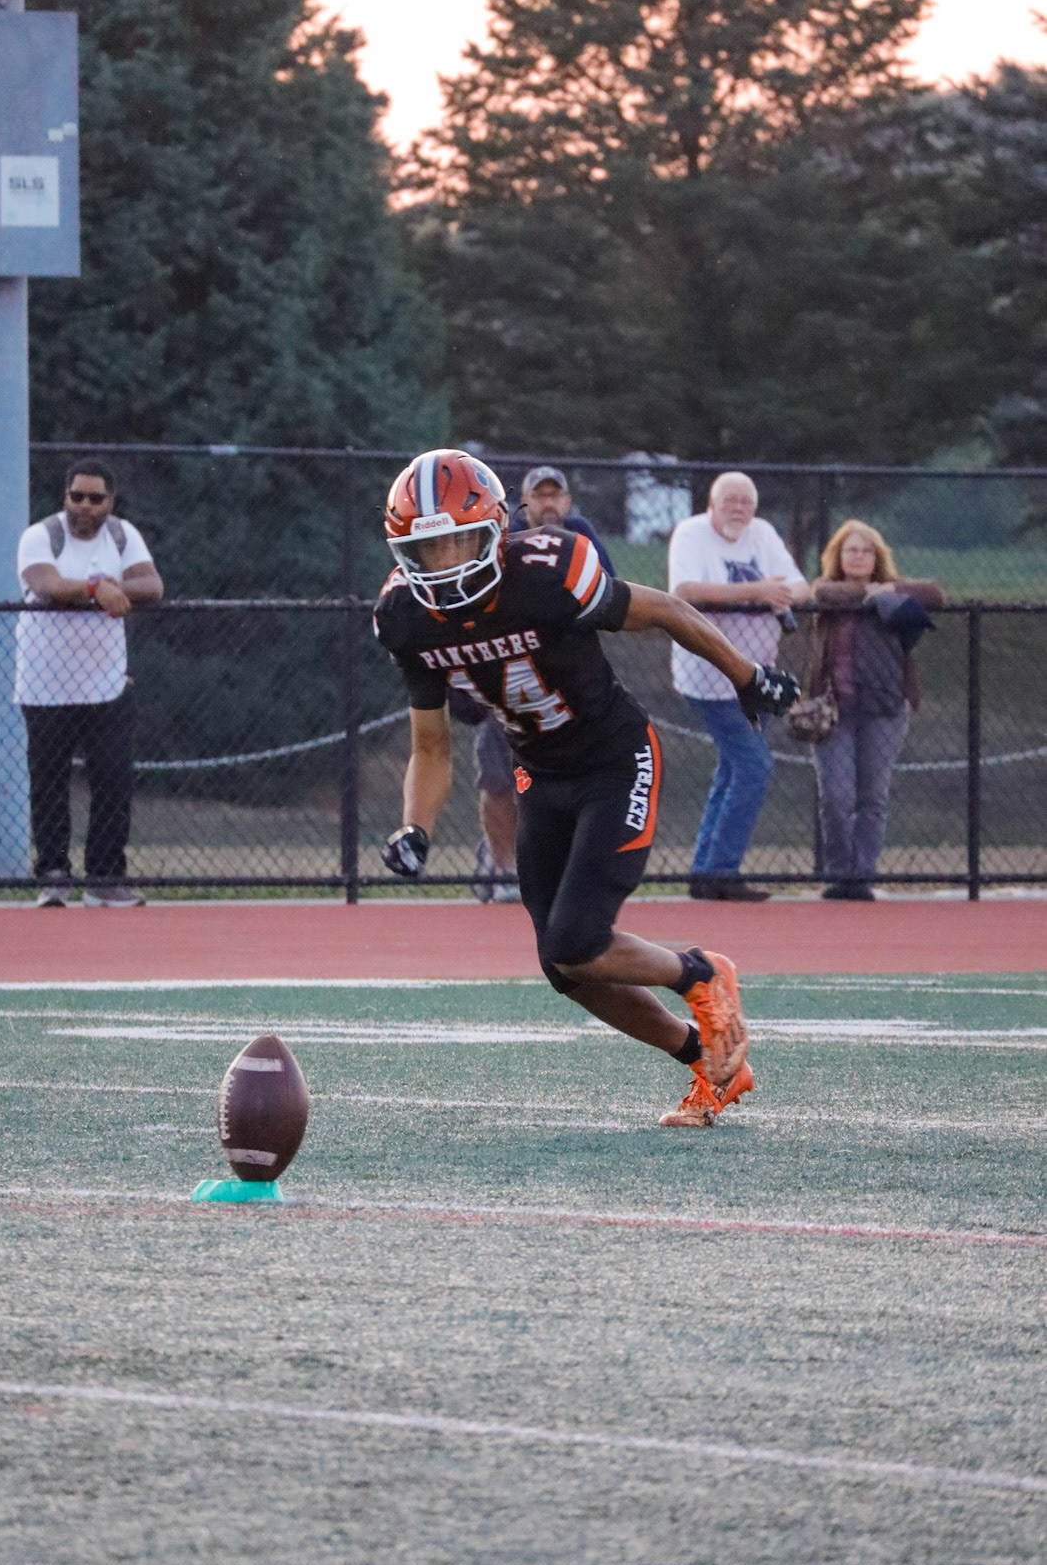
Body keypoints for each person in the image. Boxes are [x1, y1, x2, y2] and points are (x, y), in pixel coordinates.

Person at [372, 448, 799, 1127]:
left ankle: (700, 972)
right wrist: (414, 827)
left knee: (576, 939)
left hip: (614, 760)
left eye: (458, 541)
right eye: (428, 548)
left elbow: (664, 608)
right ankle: (708, 1062)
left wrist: (746, 676)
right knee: (564, 967)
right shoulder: (405, 615)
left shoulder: (548, 573)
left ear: (495, 530)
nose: (446, 563)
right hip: (539, 775)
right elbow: (430, 746)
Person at [465, 465, 617, 903]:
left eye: (556, 495)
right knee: (498, 777)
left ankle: (550, 865)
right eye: (540, 495)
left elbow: (608, 595)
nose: (548, 503)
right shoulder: (505, 536)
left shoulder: (581, 535)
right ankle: (501, 866)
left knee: (563, 780)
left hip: (564, 683)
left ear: (567, 502)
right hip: (508, 677)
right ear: (525, 502)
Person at [15, 459, 164, 907]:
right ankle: (54, 876)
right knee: (49, 781)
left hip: (106, 683)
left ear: (110, 502)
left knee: (113, 780)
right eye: (76, 496)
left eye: (95, 498)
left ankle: (104, 878)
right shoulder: (41, 536)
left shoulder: (122, 535)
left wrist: (111, 588)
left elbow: (152, 586)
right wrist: (100, 588)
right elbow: (47, 585)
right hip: (44, 683)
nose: (84, 505)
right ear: (64, 496)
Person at [668, 472, 808, 901]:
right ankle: (721, 871)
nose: (739, 508)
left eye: (746, 501)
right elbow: (685, 590)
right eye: (730, 500)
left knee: (733, 769)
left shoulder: (762, 534)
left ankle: (704, 872)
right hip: (708, 676)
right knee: (753, 767)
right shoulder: (691, 534)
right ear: (711, 504)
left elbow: (801, 587)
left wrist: (779, 596)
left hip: (757, 677)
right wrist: (757, 591)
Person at [809, 520, 945, 900]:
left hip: (884, 710)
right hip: (833, 711)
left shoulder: (894, 593)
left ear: (877, 557)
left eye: (866, 551)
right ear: (838, 555)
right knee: (836, 796)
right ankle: (840, 874)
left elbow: (935, 594)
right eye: (851, 550)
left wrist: (890, 591)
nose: (858, 556)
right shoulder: (827, 590)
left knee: (873, 797)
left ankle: (862, 877)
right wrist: (870, 594)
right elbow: (825, 593)